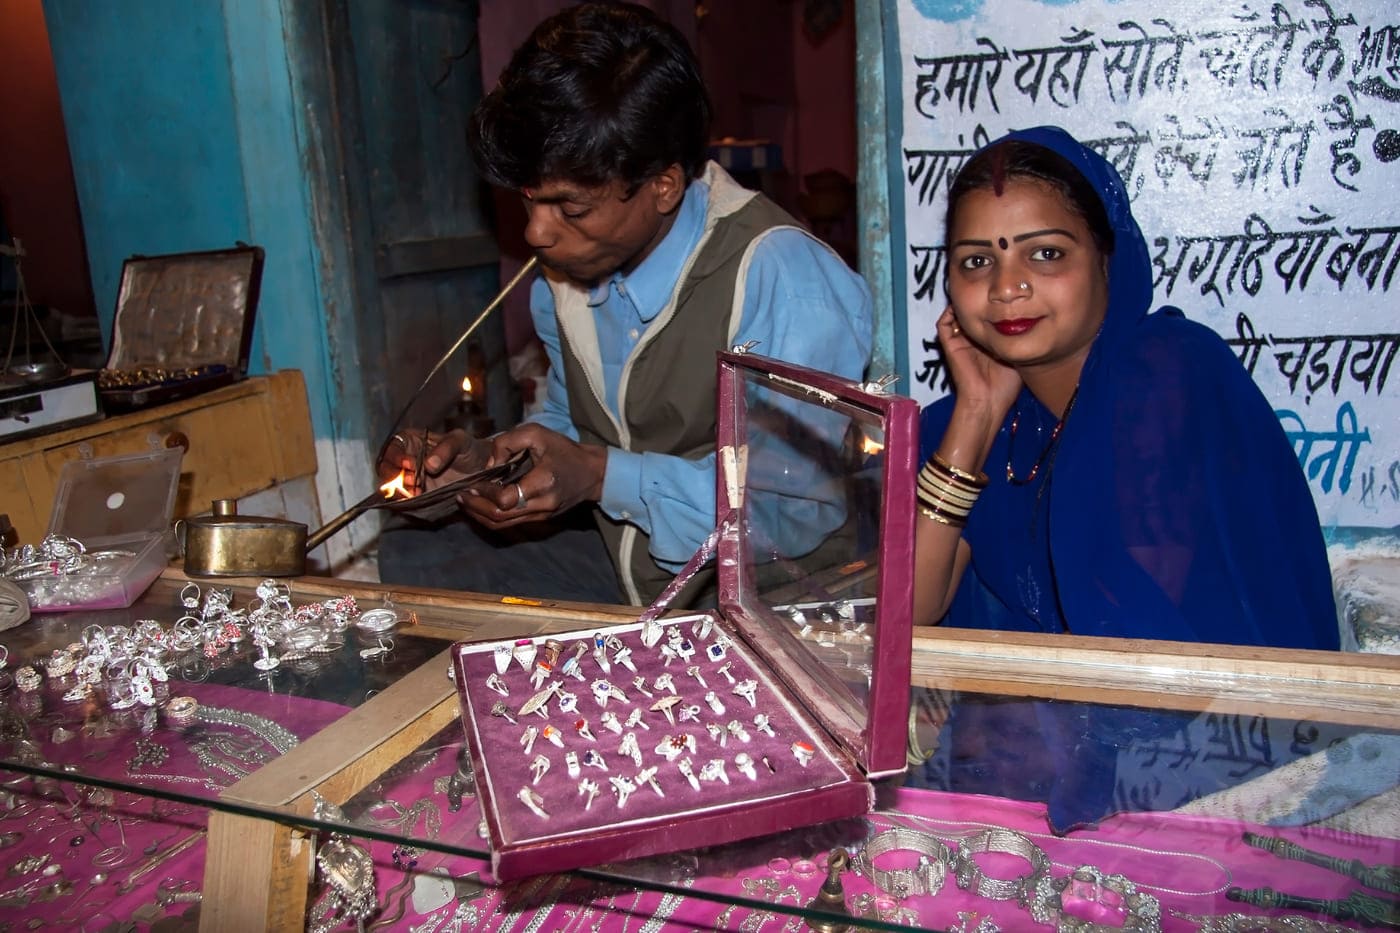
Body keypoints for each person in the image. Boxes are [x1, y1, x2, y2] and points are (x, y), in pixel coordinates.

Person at [907, 125, 1339, 832]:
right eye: (976, 261)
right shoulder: (967, 424)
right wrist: (976, 416)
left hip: (1212, 791)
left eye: (1046, 253)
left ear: (1108, 257)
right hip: (1031, 787)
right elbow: (909, 617)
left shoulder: (1165, 375)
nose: (1008, 287)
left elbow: (1142, 667)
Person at [376, 2, 873, 607]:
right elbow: (576, 422)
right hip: (635, 572)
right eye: (529, 200)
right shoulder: (567, 278)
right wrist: (490, 468)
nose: (536, 233)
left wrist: (598, 475)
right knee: (416, 550)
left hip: (768, 598)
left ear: (663, 185)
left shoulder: (781, 277)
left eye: (572, 208)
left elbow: (789, 507)